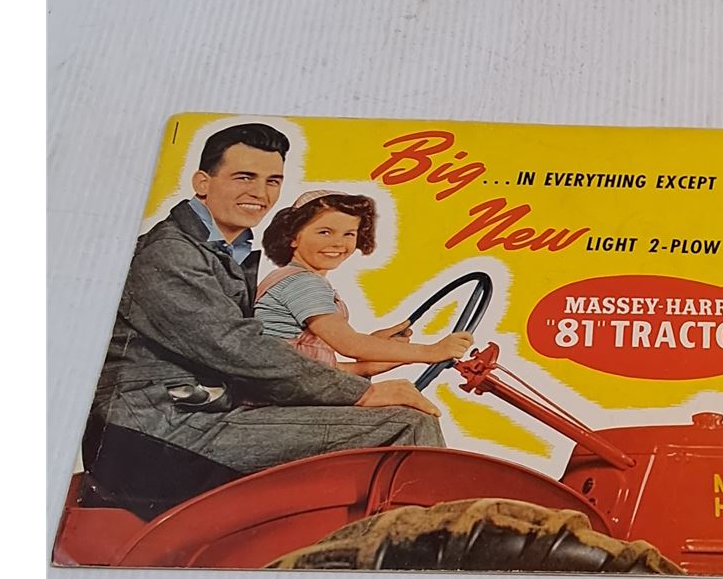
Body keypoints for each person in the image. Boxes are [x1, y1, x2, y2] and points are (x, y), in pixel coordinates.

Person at [82, 122, 447, 507]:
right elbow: (238, 348)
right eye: (244, 177)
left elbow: (254, 350)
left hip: (188, 418)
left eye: (272, 181)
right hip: (154, 434)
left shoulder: (224, 253)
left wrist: (363, 366)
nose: (260, 193)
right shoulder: (171, 252)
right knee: (408, 421)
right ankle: (436, 540)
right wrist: (363, 392)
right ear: (203, 182)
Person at [255, 189, 474, 374]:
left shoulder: (288, 277)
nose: (338, 243)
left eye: (349, 234)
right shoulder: (303, 284)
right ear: (293, 237)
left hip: (288, 381)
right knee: (406, 400)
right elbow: (349, 344)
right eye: (325, 232)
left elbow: (317, 366)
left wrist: (375, 356)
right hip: (283, 388)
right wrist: (431, 351)